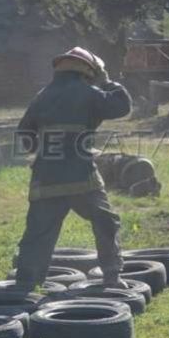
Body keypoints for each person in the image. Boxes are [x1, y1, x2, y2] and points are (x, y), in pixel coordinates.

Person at [14, 47, 132, 290]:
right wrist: (107, 82)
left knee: (38, 232)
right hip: (82, 177)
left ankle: (25, 284)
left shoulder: (42, 95)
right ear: (89, 72)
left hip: (45, 177)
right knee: (105, 222)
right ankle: (111, 276)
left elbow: (24, 132)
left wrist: (43, 149)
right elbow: (122, 106)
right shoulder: (89, 93)